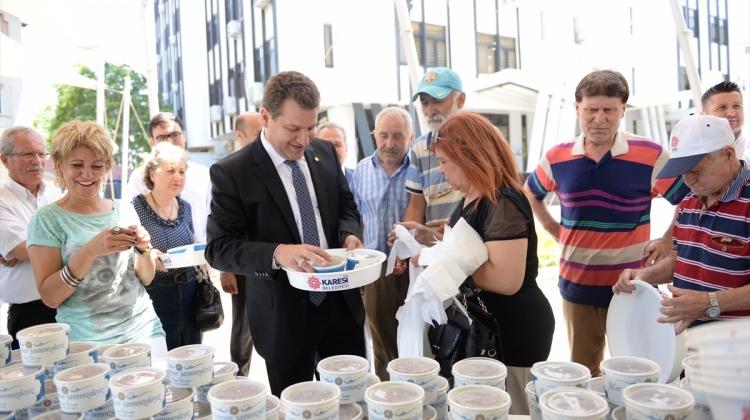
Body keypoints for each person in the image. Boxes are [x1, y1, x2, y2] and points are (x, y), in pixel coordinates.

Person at [205, 71, 365, 396]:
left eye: (311, 127)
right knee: (297, 406)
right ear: (266, 117)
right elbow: (219, 248)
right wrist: (279, 253)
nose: (304, 140)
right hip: (284, 316)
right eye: (293, 129)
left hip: (340, 306)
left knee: (351, 403)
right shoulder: (233, 172)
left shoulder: (325, 152)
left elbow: (346, 206)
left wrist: (348, 234)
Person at [523, 70, 690, 376]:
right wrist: (553, 228)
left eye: (609, 110)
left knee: (638, 372)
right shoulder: (557, 157)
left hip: (634, 287)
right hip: (577, 286)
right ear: (578, 109)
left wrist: (668, 238)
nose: (599, 119)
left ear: (623, 110)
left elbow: (688, 198)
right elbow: (530, 192)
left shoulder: (651, 155)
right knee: (584, 373)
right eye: (591, 109)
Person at [420, 112, 554, 414]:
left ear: (469, 156)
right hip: (489, 329)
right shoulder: (474, 195)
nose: (441, 170)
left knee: (513, 412)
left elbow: (506, 280)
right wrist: (439, 240)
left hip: (513, 331)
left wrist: (440, 262)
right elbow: (477, 245)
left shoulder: (502, 200)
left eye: (444, 161)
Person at [26, 120, 166, 353]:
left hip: (145, 331)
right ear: (59, 166)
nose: (87, 174)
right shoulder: (47, 220)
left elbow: (146, 278)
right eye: (77, 165)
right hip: (88, 344)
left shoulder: (124, 209)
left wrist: (144, 248)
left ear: (107, 166)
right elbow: (50, 297)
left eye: (97, 165)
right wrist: (90, 251)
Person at [614, 114, 750, 331]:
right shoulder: (689, 200)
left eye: (695, 171)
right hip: (687, 335)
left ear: (728, 155)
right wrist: (645, 275)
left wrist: (710, 303)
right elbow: (682, 259)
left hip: (737, 342)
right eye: (682, 172)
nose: (688, 180)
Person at [645, 80, 747, 264]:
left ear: (729, 156)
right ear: (704, 116)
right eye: (722, 107)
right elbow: (687, 200)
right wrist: (669, 240)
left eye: (737, 106)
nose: (731, 113)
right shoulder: (690, 159)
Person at [350, 107, 414, 380]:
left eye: (397, 136)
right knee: (382, 345)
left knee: (415, 341)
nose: (389, 143)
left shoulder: (420, 169)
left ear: (410, 137)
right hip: (375, 273)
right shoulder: (361, 171)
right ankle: (387, 394)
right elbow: (355, 218)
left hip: (415, 270)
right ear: (374, 134)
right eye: (383, 135)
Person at [133, 142, 201, 350]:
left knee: (192, 353)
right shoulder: (136, 207)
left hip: (190, 293)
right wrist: (150, 253)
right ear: (152, 174)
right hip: (156, 295)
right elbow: (128, 251)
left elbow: (192, 243)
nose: (178, 177)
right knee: (163, 354)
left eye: (182, 171)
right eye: (170, 171)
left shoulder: (186, 207)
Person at [0, 127, 61, 348]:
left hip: (70, 303)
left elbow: (32, 250)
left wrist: (35, 249)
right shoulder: (2, 200)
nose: (37, 160)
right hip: (30, 314)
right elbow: (24, 249)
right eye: (28, 154)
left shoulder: (57, 192)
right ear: (5, 160)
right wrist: (30, 251)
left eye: (41, 153)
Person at [123, 112, 212, 243]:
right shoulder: (139, 178)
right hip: (152, 252)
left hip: (202, 251)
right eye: (161, 137)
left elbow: (214, 216)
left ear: (184, 136)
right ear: (152, 142)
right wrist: (146, 250)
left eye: (175, 135)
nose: (170, 141)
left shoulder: (204, 175)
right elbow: (129, 221)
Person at [220, 112, 263, 376]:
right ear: (240, 136)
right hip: (242, 264)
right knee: (243, 325)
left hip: (276, 260)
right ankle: (239, 378)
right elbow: (220, 228)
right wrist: (226, 269)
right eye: (258, 134)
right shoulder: (228, 171)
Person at [403, 67, 466, 227]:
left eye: (438, 100)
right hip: (434, 243)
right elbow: (416, 207)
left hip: (479, 241)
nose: (430, 111)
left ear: (460, 100)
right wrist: (406, 235)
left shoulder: (483, 140)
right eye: (424, 103)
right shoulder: (419, 148)